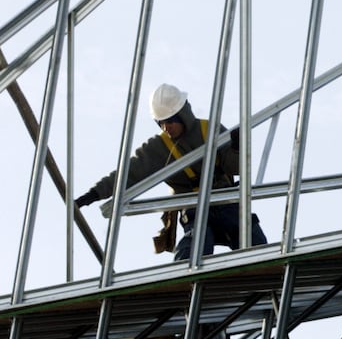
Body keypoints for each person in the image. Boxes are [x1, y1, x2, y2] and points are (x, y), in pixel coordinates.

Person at [74, 83, 267, 260]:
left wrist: (236, 149)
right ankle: (185, 274)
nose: (167, 127)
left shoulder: (209, 129)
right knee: (197, 238)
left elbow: (235, 168)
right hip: (193, 204)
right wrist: (93, 194)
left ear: (183, 115)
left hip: (224, 198)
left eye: (171, 121)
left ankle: (263, 265)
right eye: (161, 122)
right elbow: (129, 173)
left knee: (246, 231)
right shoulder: (159, 147)